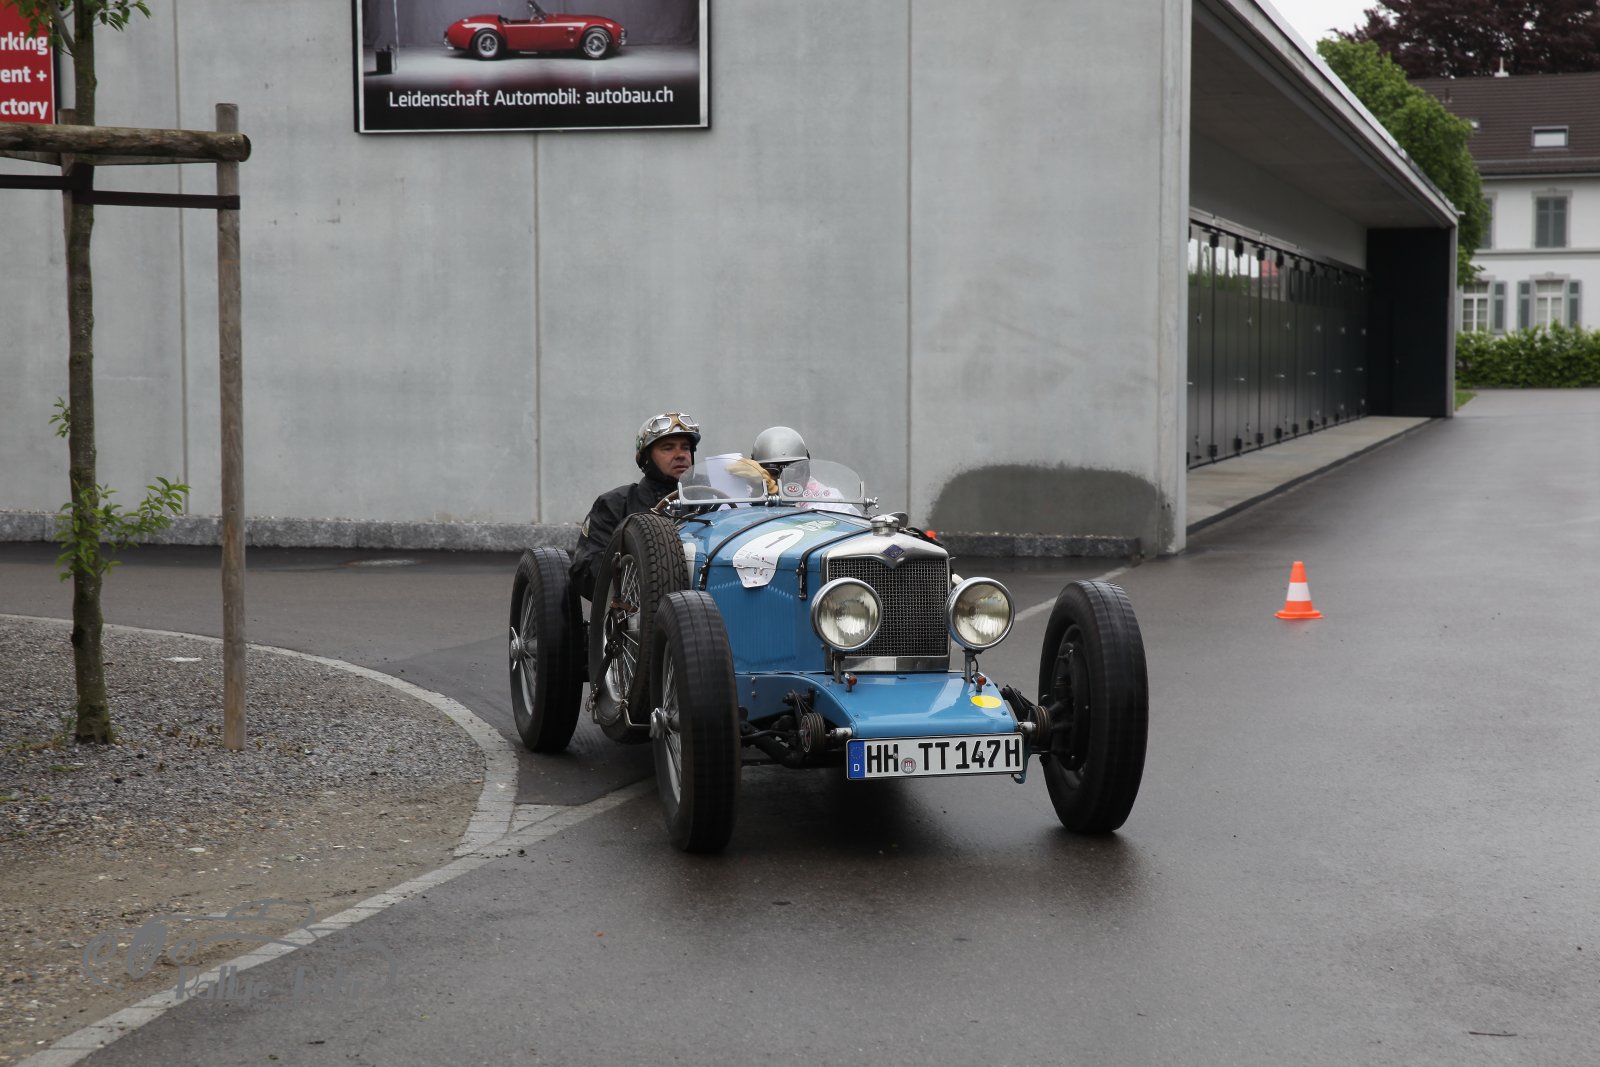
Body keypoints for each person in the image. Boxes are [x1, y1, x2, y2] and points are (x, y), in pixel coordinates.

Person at [569, 411, 700, 600]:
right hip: (639, 610)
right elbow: (585, 570)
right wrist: (640, 573)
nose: (680, 455)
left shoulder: (712, 502)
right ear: (646, 457)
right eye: (668, 448)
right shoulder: (614, 504)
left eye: (685, 448)